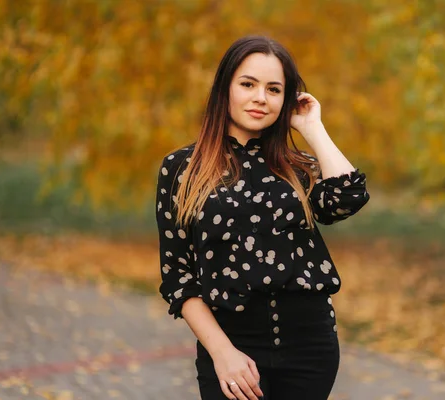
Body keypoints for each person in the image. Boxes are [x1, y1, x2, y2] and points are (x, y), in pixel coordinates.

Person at [155, 35, 370, 400]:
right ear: (225, 89)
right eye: (248, 84)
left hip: (310, 346)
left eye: (274, 89)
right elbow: (178, 277)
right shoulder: (182, 169)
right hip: (232, 345)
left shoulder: (297, 168)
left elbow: (347, 197)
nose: (260, 98)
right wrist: (222, 354)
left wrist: (312, 127)